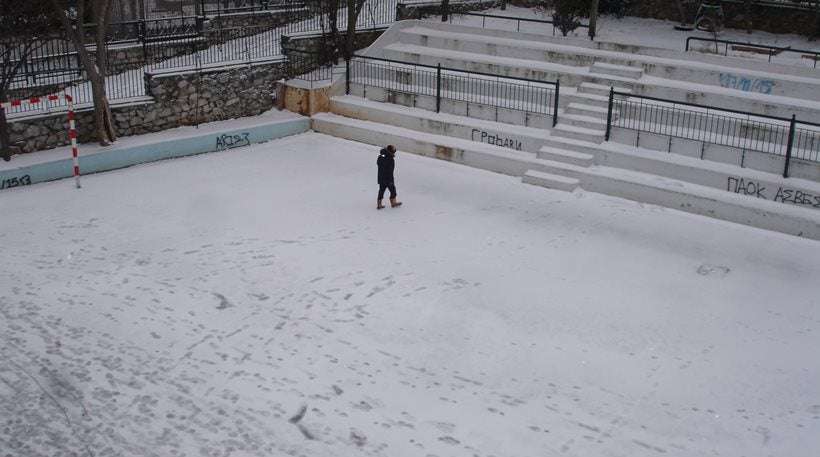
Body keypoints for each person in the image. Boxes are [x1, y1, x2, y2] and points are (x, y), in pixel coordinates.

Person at [376, 145, 402, 210]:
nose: (394, 153)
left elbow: (378, 163)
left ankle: (379, 204)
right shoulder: (390, 159)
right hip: (388, 179)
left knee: (381, 190)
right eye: (393, 152)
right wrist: (390, 180)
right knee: (393, 191)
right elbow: (390, 171)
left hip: (381, 177)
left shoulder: (381, 156)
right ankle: (393, 203)